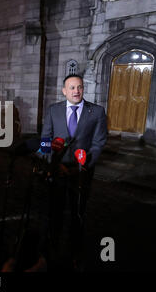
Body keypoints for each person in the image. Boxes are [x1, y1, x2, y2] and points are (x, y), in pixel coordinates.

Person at [37, 74, 107, 271]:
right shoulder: (53, 110)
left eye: (80, 87)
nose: (77, 91)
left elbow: (99, 142)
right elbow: (45, 139)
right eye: (72, 87)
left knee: (78, 215)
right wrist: (50, 161)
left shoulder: (97, 112)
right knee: (54, 214)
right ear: (64, 91)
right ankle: (48, 253)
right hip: (57, 172)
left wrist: (85, 165)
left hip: (81, 174)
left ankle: (75, 255)